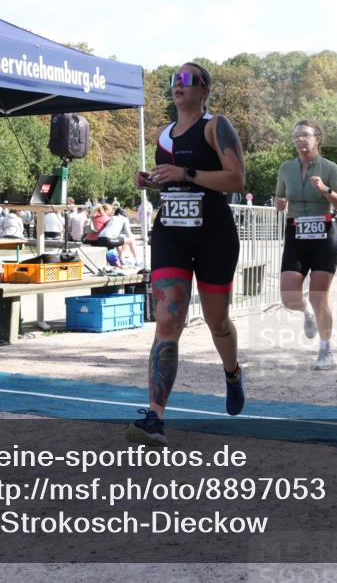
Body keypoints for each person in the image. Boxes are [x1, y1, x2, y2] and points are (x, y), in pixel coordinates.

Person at [128, 62, 246, 446]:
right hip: (172, 235)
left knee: (218, 323)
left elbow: (237, 179)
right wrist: (151, 180)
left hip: (214, 236)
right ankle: (154, 418)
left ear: (204, 90)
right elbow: (170, 181)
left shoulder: (216, 126)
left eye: (187, 80)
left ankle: (231, 372)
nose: (178, 85)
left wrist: (185, 174)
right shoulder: (164, 136)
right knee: (167, 320)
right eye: (174, 80)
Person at [275, 119, 337, 370]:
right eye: (295, 136)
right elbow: (279, 197)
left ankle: (326, 352)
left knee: (320, 296)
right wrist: (279, 204)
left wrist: (326, 190)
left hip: (324, 234)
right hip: (296, 233)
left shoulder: (330, 168)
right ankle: (305, 311)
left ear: (317, 139)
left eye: (305, 135)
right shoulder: (286, 168)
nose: (299, 140)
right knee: (288, 298)